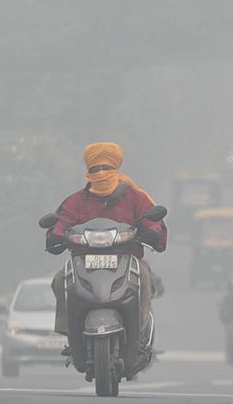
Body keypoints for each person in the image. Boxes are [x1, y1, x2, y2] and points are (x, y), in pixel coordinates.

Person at [45, 142, 167, 345]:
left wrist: (152, 232)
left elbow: (152, 220)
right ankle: (69, 332)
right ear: (88, 172)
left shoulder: (135, 197)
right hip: (83, 260)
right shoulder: (76, 201)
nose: (101, 173)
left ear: (116, 169)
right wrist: (56, 235)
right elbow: (62, 221)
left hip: (127, 257)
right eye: (95, 169)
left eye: (106, 168)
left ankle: (141, 330)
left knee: (145, 279)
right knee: (60, 280)